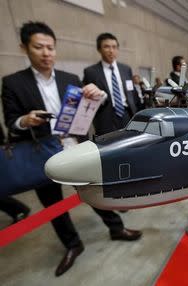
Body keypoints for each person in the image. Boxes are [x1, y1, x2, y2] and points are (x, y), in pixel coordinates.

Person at [1, 22, 142, 277]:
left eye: (50, 48)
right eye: (39, 47)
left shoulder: (71, 79)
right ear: (24, 48)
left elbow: (92, 113)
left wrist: (98, 96)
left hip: (75, 146)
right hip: (41, 152)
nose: (46, 53)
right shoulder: (13, 83)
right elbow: (11, 121)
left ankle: (116, 227)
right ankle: (73, 245)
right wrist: (26, 120)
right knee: (53, 203)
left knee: (95, 191)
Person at [83, 33, 140, 136]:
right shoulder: (91, 72)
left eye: (114, 47)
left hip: (127, 114)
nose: (111, 50)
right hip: (106, 116)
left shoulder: (126, 69)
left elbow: (133, 93)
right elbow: (88, 99)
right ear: (99, 49)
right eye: (106, 47)